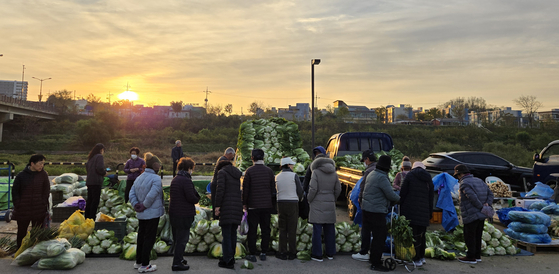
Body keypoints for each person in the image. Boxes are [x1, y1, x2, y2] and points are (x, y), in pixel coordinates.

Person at [361, 155, 400, 272]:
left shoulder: (372, 173)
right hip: (376, 211)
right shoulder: (382, 178)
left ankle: (373, 258)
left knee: (373, 235)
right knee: (380, 237)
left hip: (366, 209)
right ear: (387, 167)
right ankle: (376, 263)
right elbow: (390, 194)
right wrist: (399, 198)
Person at [130, 152, 165, 273]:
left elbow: (131, 193)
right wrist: (145, 205)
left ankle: (138, 261)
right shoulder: (156, 178)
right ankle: (145, 264)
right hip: (152, 213)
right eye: (159, 165)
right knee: (149, 238)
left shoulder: (139, 177)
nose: (160, 167)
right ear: (155, 165)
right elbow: (153, 194)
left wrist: (136, 205)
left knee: (141, 236)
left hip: (141, 213)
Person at [455, 164, 494, 264]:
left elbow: (471, 197)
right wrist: (487, 205)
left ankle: (471, 256)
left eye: (458, 175)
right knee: (478, 234)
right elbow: (490, 193)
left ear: (461, 174)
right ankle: (477, 255)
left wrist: (481, 207)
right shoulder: (479, 180)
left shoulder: (464, 183)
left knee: (469, 235)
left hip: (471, 213)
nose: (458, 178)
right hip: (481, 214)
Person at [242, 149, 275, 262]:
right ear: (263, 158)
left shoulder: (249, 171)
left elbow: (245, 190)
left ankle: (252, 253)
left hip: (253, 205)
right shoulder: (269, 171)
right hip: (266, 205)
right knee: (265, 229)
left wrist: (245, 203)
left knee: (253, 230)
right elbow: (272, 189)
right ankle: (264, 252)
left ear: (252, 158)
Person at [399, 162, 434, 267]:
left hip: (411, 210)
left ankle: (415, 257)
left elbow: (403, 192)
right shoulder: (428, 178)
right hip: (424, 211)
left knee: (413, 235)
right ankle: (421, 257)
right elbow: (431, 196)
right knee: (421, 235)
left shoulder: (410, 175)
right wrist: (430, 212)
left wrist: (400, 205)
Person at [12, 154, 50, 248]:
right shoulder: (21, 176)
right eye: (40, 163)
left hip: (38, 209)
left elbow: (46, 190)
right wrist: (18, 204)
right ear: (32, 163)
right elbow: (15, 192)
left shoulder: (43, 175)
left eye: (43, 164)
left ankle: (35, 251)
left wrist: (43, 202)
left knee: (37, 232)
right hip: (23, 210)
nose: (42, 166)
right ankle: (20, 251)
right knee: (22, 232)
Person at [169, 157, 200, 271]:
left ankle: (179, 258)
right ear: (188, 168)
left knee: (177, 239)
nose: (192, 170)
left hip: (174, 213)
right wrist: (197, 197)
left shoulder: (176, 179)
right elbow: (191, 197)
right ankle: (177, 263)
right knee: (182, 240)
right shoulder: (186, 180)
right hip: (183, 214)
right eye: (192, 168)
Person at [308, 156, 341, 262]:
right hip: (330, 202)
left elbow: (313, 189)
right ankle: (330, 253)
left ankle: (317, 255)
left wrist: (309, 199)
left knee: (317, 229)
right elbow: (338, 189)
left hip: (317, 203)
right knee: (330, 229)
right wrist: (333, 198)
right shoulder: (334, 173)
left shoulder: (316, 172)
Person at [214, 160, 243, 269]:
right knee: (233, 234)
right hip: (236, 206)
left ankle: (227, 260)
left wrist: (217, 206)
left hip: (226, 206)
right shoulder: (237, 173)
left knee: (226, 235)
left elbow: (220, 190)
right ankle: (231, 257)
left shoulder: (222, 172)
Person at [275, 157, 303, 260]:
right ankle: (292, 252)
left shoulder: (277, 177)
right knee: (292, 229)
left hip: (280, 203)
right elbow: (300, 191)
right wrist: (300, 198)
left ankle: (282, 252)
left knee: (282, 228)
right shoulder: (294, 175)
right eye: (291, 164)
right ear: (287, 165)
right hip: (292, 203)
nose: (292, 166)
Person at [352, 149, 377, 262]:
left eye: (364, 160)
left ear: (367, 159)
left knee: (366, 228)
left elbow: (363, 187)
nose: (364, 162)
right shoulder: (380, 169)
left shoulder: (369, 171)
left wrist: (360, 199)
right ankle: (374, 252)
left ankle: (364, 252)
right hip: (378, 205)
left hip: (368, 204)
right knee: (376, 229)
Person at [301, 146, 327, 219]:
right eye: (316, 153)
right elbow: (307, 178)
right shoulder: (312, 165)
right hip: (318, 193)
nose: (317, 155)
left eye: (319, 153)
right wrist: (304, 189)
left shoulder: (327, 166)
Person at [85, 143, 107, 220]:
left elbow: (87, 168)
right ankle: (92, 218)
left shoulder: (91, 158)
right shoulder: (99, 157)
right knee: (95, 201)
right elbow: (99, 168)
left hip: (89, 181)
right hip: (96, 182)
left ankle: (87, 217)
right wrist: (104, 173)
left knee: (90, 200)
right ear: (101, 150)